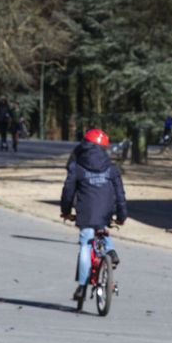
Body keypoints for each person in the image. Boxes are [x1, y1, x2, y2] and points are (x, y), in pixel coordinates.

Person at [60, 128, 128, 304]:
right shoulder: (112, 168)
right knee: (102, 230)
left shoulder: (77, 167)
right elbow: (120, 194)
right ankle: (110, 251)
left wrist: (66, 211)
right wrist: (122, 215)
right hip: (106, 210)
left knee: (85, 243)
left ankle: (82, 287)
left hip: (86, 210)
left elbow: (68, 191)